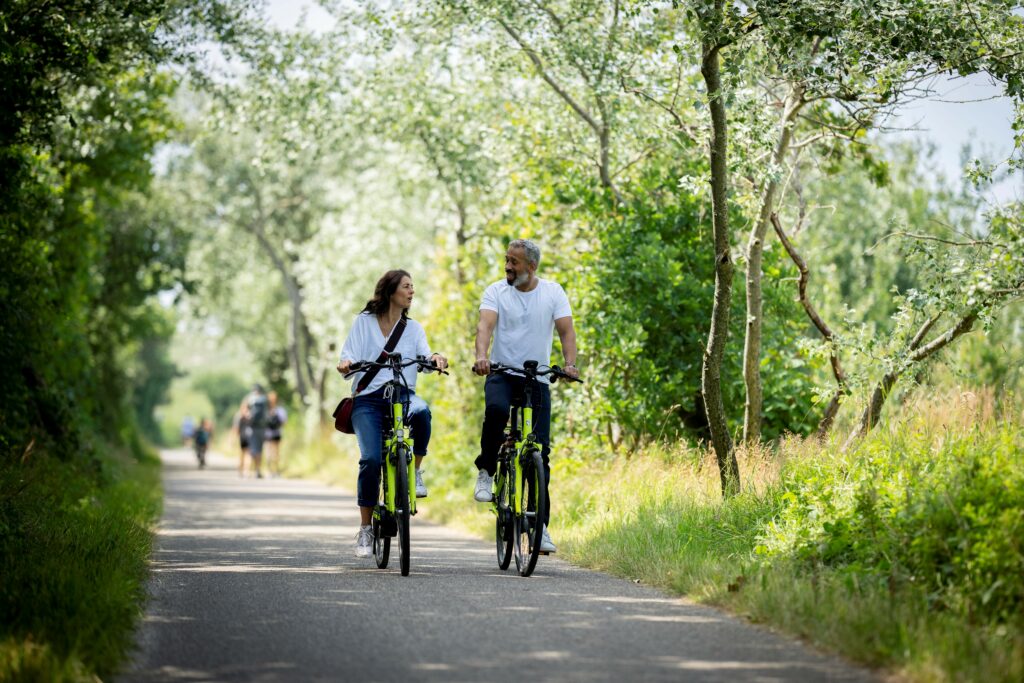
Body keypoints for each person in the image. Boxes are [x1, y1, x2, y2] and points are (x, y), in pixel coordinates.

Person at [472, 238, 579, 554]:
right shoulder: (496, 292)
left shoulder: (552, 292)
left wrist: (570, 364)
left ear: (531, 267)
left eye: (514, 261)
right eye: (506, 259)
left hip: (537, 378)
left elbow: (566, 331)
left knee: (540, 454)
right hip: (502, 372)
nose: (507, 266)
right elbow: (485, 326)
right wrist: (482, 356)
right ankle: (486, 471)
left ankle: (539, 528)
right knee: (496, 411)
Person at [336, 270, 448, 559]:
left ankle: (416, 471)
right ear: (390, 291)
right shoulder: (363, 323)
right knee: (371, 459)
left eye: (413, 287)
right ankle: (365, 528)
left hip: (403, 395)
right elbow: (347, 356)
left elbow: (425, 357)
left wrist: (435, 359)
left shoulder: (414, 329)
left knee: (423, 412)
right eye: (406, 287)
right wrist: (347, 364)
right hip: (369, 400)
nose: (412, 292)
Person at [246, 384, 269, 479]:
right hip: (262, 428)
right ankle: (258, 470)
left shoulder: (250, 399)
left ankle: (249, 471)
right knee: (259, 450)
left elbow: (246, 412)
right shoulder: (265, 399)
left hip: (252, 427)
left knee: (251, 449)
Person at [265, 391, 287, 477]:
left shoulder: (266, 410)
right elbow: (284, 422)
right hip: (277, 433)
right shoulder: (280, 410)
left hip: (267, 434)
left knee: (269, 453)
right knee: (276, 453)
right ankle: (275, 471)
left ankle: (270, 471)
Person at [232, 399, 250, 477]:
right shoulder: (250, 415)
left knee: (243, 454)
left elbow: (236, 428)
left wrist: (234, 437)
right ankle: (244, 470)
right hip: (247, 436)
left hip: (243, 436)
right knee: (245, 454)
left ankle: (243, 470)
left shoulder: (238, 415)